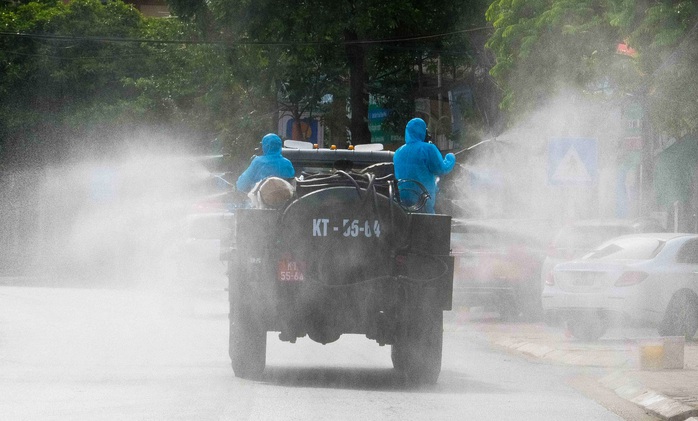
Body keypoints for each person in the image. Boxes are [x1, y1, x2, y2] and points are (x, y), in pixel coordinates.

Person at [393, 118, 456, 213]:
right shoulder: (428, 149)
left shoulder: (398, 152)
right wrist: (450, 158)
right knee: (429, 226)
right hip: (423, 202)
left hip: (402, 205)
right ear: (423, 132)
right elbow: (441, 169)